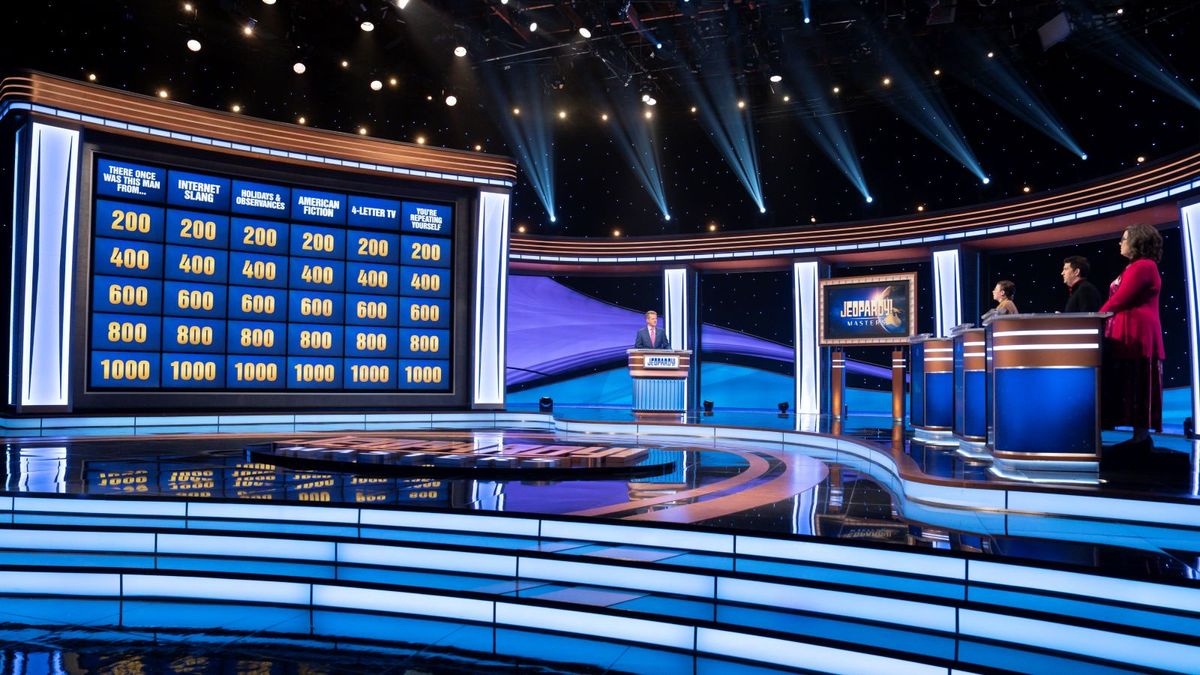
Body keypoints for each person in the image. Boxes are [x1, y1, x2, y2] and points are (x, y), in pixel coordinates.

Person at [1100, 224, 1164, 448]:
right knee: (1131, 384)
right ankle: (1138, 437)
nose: (1121, 243)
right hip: (1128, 335)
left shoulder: (1144, 266)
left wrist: (1097, 316)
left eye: (1124, 238)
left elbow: (1121, 298)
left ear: (1137, 241)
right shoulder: (1134, 266)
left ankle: (1142, 438)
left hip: (1139, 335)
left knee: (1139, 383)